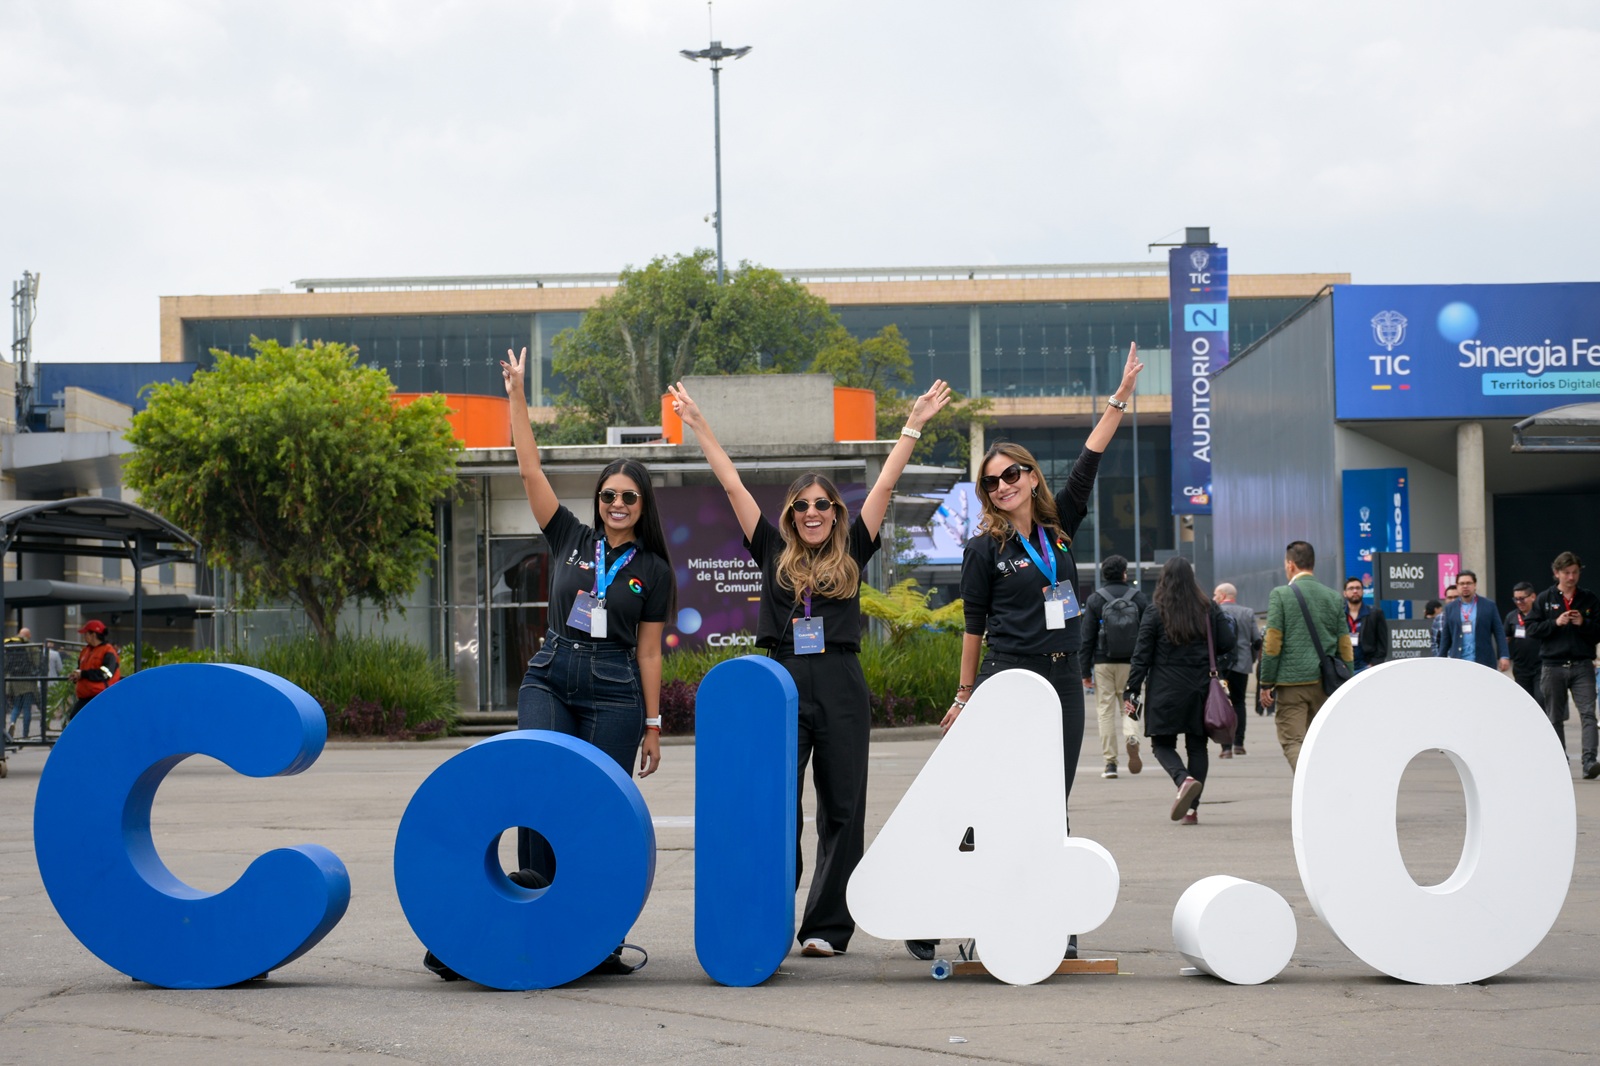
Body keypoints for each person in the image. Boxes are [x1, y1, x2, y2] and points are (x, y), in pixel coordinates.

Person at [667, 375, 952, 959]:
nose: (813, 512)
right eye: (802, 505)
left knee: (843, 808)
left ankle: (826, 927)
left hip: (842, 681)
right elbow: (731, 483)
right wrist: (699, 426)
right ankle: (770, 913)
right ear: (791, 514)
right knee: (778, 806)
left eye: (823, 504)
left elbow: (886, 481)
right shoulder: (771, 549)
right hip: (781, 682)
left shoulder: (854, 548)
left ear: (836, 512)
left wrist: (913, 424)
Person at [935, 341, 1145, 960]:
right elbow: (973, 625)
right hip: (1008, 679)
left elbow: (1089, 458)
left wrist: (1119, 398)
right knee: (1001, 802)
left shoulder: (1059, 530)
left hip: (1063, 680)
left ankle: (1057, 923)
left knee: (1053, 803)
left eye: (1011, 475)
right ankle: (973, 912)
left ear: (1030, 477)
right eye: (991, 482)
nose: (1002, 486)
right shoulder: (983, 549)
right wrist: (964, 693)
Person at [500, 347, 673, 970]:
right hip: (551, 674)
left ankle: (598, 938)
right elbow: (529, 471)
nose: (617, 503)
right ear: (598, 499)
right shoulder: (571, 537)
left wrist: (653, 724)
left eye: (629, 496)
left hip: (615, 690)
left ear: (643, 504)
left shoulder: (653, 569)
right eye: (608, 494)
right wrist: (518, 396)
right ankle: (531, 913)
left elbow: (649, 650)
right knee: (538, 789)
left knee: (596, 809)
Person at [1124, 558, 1234, 824]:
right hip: (1200, 687)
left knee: (1162, 744)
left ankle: (1182, 779)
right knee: (1197, 746)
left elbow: (1142, 655)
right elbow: (1227, 641)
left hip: (1165, 687)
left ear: (1164, 579)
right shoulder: (1208, 608)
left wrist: (1132, 690)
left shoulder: (1155, 610)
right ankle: (1192, 810)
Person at [1258, 541, 1351, 772]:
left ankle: (1311, 785)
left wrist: (1266, 682)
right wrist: (1347, 679)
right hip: (1325, 682)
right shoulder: (1333, 597)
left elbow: (1272, 643)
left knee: (1293, 741)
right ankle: (1326, 781)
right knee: (1319, 740)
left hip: (1292, 684)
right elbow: (1344, 644)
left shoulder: (1280, 594)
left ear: (1290, 564)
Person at [1526, 551, 1600, 778]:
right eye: (1566, 573)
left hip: (1582, 664)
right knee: (1554, 716)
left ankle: (1589, 761)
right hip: (1553, 664)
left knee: (1588, 714)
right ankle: (1559, 761)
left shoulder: (1588, 599)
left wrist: (1583, 623)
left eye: (1575, 572)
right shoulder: (1545, 599)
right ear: (1556, 573)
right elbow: (1531, 629)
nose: (1571, 577)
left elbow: (1598, 630)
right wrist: (1555, 623)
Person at [1080, 554, 1150, 778]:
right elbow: (1148, 634)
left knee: (1105, 712)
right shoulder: (1139, 598)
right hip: (1132, 664)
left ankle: (1110, 763)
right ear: (1124, 573)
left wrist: (1085, 671)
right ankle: (1132, 736)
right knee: (1129, 704)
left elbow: (1087, 637)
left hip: (1103, 663)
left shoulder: (1095, 600)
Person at [1213, 583, 1261, 756]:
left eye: (1215, 594)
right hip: (1242, 664)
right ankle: (1239, 743)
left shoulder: (1215, 612)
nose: (1214, 598)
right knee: (1239, 702)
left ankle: (1226, 747)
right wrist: (1251, 658)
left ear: (1222, 595)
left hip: (1220, 666)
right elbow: (1257, 640)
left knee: (1222, 703)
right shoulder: (1248, 612)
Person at [1437, 570, 1510, 672]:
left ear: (1475, 585)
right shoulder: (1450, 608)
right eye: (1462, 583)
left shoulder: (1489, 605)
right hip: (1458, 661)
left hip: (1483, 661)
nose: (1465, 586)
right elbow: (1446, 637)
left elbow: (1499, 632)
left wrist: (1504, 655)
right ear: (1457, 586)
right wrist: (1441, 659)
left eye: (1468, 583)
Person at [67, 620, 120, 721]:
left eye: (86, 634)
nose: (84, 636)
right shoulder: (85, 651)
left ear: (93, 635)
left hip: (100, 697)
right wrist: (76, 675)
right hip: (85, 697)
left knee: (89, 722)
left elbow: (106, 673)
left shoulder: (108, 651)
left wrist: (83, 674)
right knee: (75, 720)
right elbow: (81, 669)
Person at [1504, 581, 1543, 706]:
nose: (1519, 602)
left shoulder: (1541, 615)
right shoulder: (1511, 617)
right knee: (1525, 703)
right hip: (1521, 668)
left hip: (1540, 666)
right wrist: (1504, 656)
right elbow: (1506, 638)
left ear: (1533, 597)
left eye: (1522, 599)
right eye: (1516, 599)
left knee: (1540, 699)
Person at [1342, 577, 1390, 674]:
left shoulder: (1375, 614)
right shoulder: (1339, 614)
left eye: (1358, 588)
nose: (1355, 591)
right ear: (1345, 593)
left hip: (1366, 667)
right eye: (1351, 588)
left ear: (1363, 591)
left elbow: (1382, 644)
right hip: (1344, 668)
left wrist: (1373, 665)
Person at [5, 627, 36, 740]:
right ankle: (25, 734)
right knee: (27, 708)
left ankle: (12, 723)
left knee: (16, 706)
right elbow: (36, 661)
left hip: (14, 681)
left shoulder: (11, 645)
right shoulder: (30, 646)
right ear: (27, 635)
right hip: (27, 681)